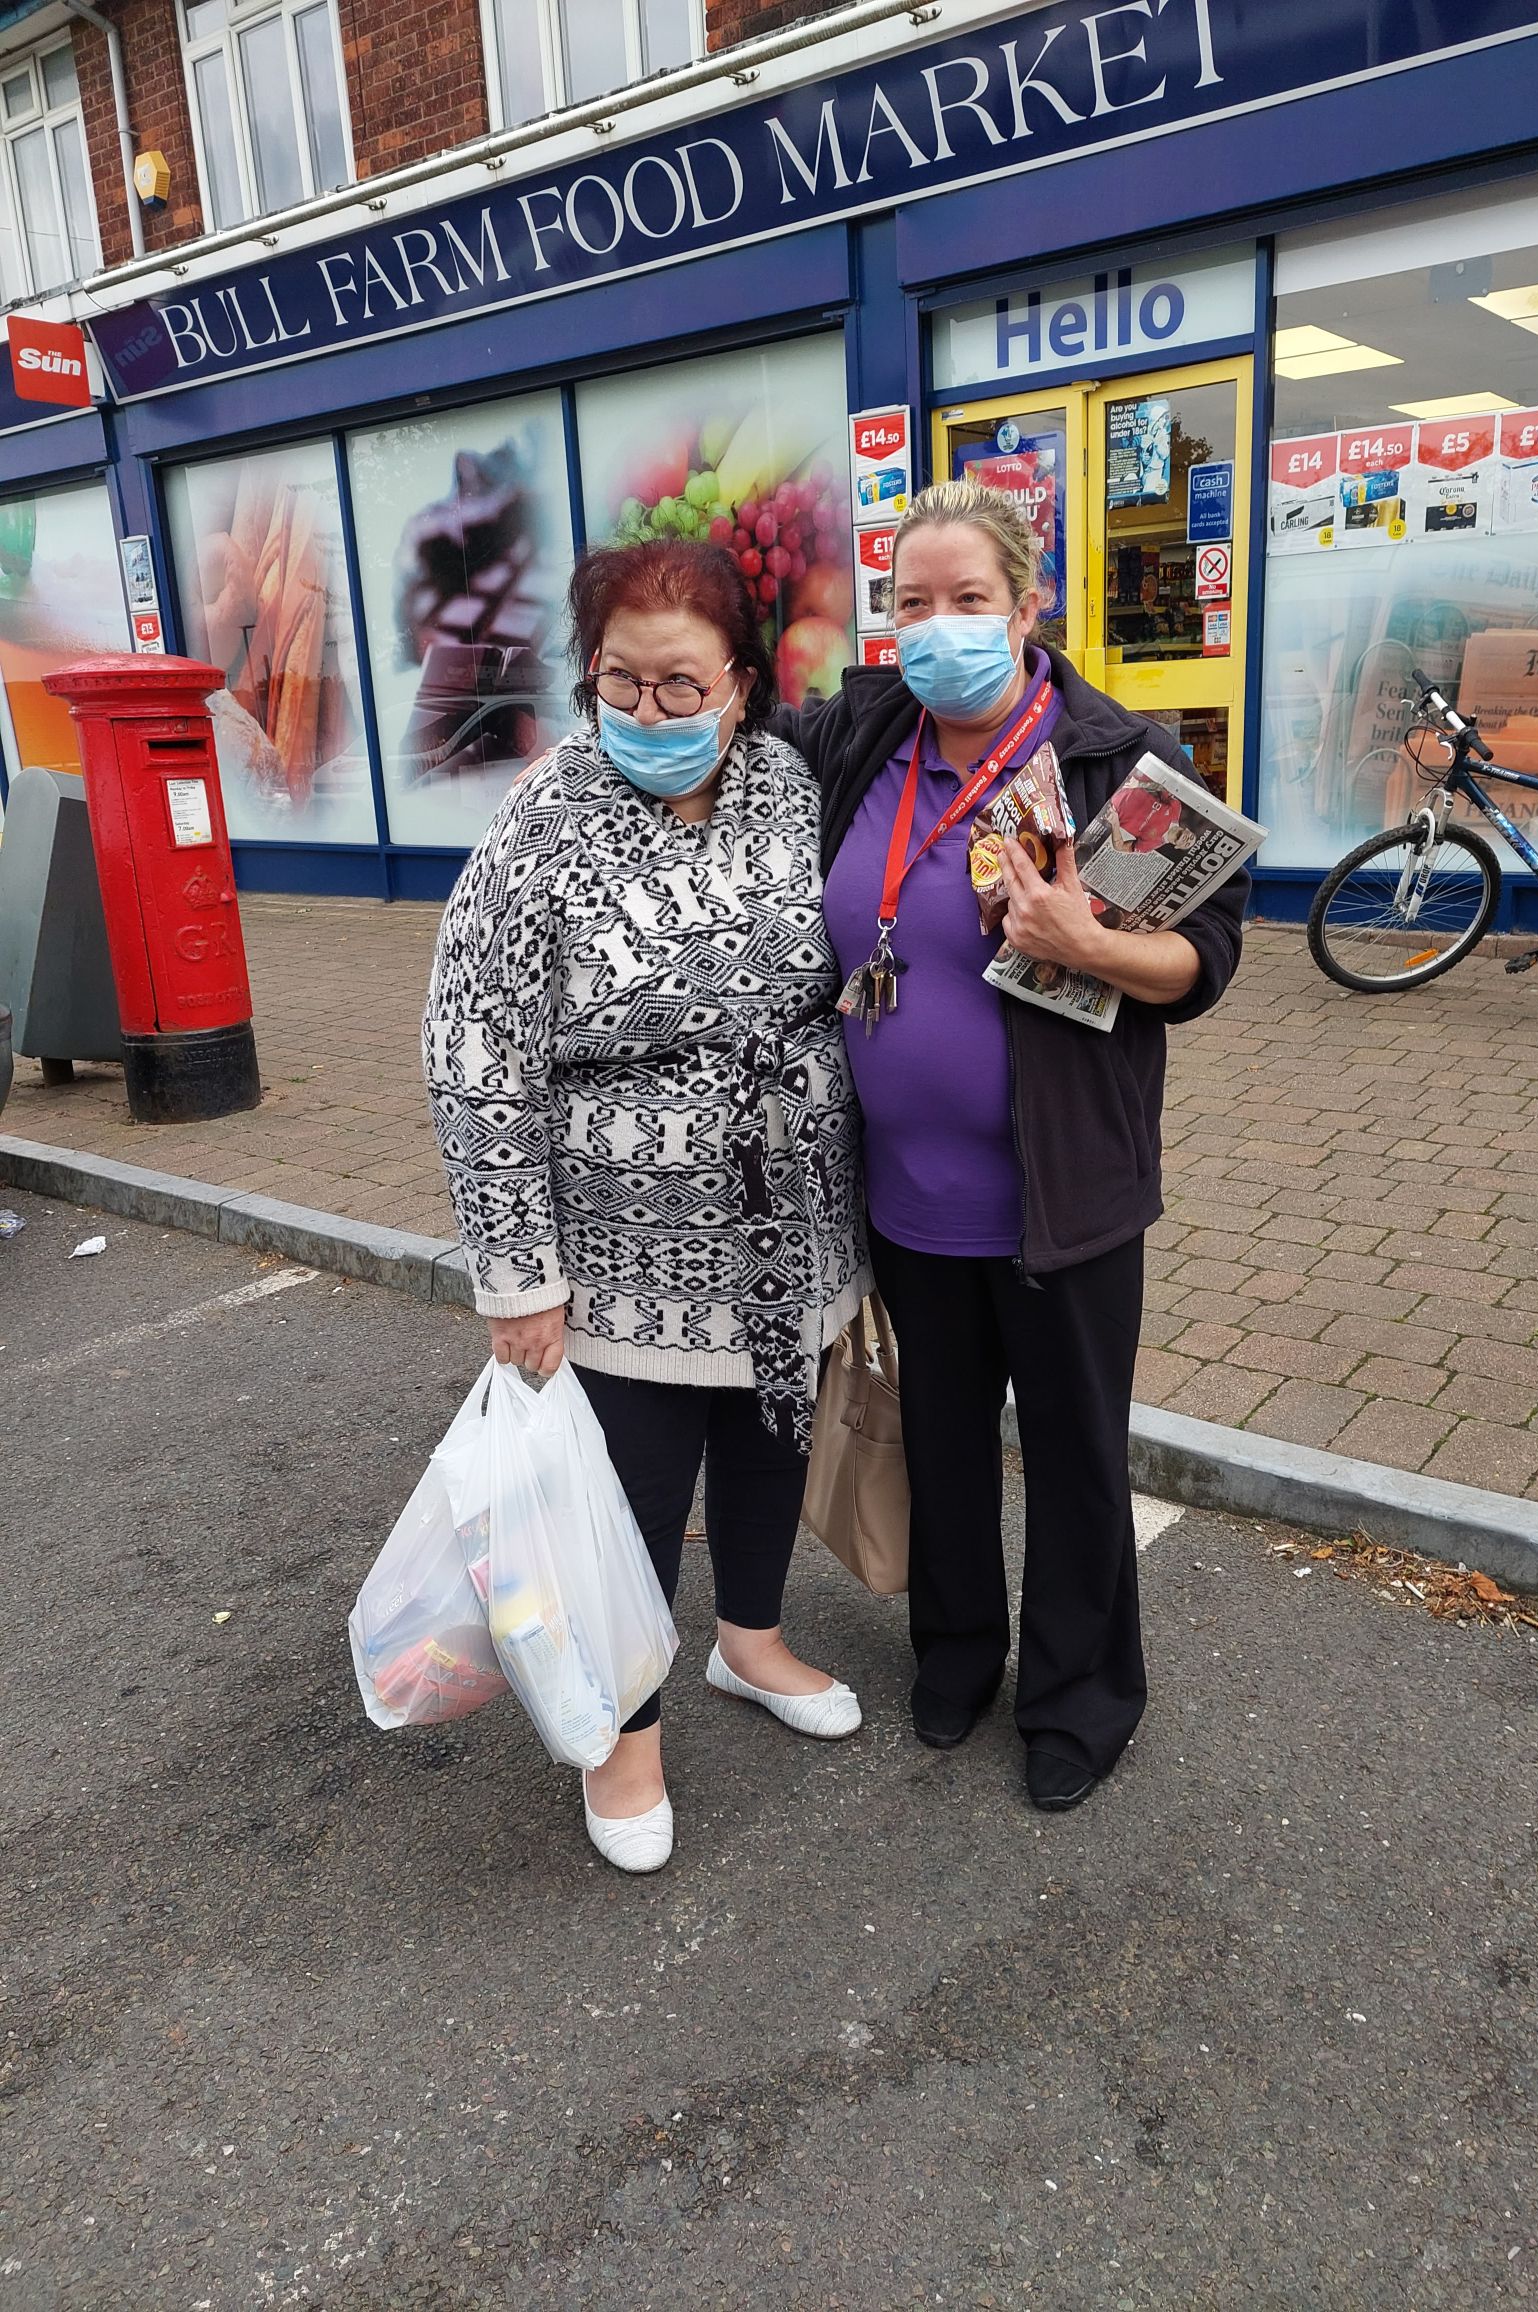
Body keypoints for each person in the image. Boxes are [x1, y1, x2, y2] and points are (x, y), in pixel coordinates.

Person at [774, 478, 1248, 1813]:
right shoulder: (862, 733)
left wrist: (1089, 943)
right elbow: (716, 734)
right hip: (905, 1193)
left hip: (1064, 1194)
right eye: (911, 602)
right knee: (939, 1435)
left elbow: (1204, 962)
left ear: (1027, 606)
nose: (938, 627)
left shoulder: (1117, 760)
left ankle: (1078, 1698)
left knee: (1076, 1454)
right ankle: (957, 1651)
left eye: (968, 599)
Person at [425, 539, 870, 1875]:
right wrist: (518, 1276)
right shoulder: (545, 819)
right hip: (621, 1253)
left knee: (771, 1444)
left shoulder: (790, 787)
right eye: (620, 681)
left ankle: (750, 1638)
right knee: (626, 1498)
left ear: (741, 681)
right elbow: (475, 1049)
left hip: (790, 1226)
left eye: (682, 685)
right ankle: (623, 1732)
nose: (648, 711)